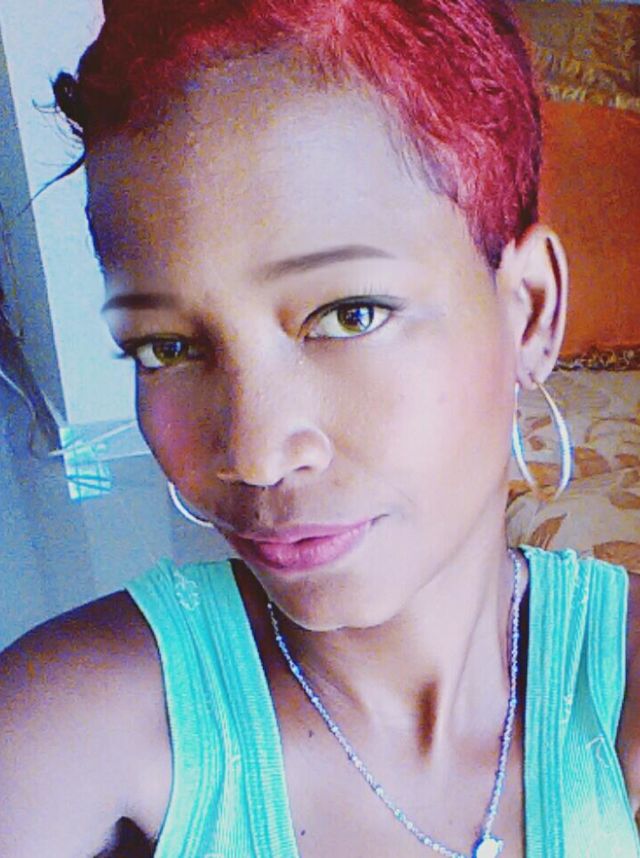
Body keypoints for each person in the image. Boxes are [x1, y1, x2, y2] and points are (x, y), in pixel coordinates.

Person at [1, 1, 639, 855]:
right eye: (168, 347)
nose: (255, 454)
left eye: (348, 314)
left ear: (528, 310)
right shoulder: (69, 723)